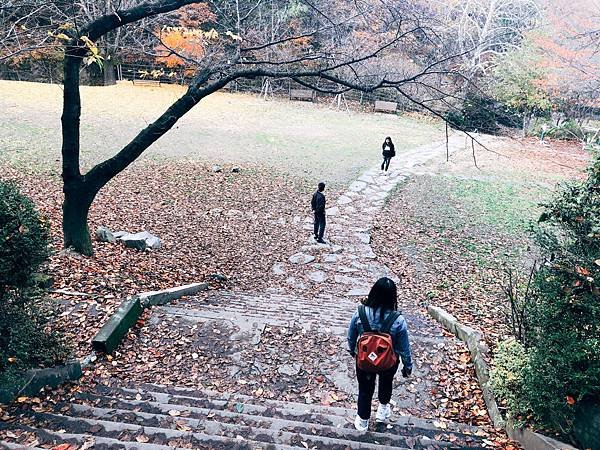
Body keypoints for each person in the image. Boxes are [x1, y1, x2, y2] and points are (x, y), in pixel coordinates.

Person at [347, 277, 413, 432]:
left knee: (365, 389)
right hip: (388, 362)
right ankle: (382, 411)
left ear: (373, 292)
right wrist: (407, 366)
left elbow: (351, 335)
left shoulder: (360, 312)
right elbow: (404, 347)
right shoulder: (398, 320)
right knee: (386, 383)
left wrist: (352, 350)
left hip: (364, 360)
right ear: (393, 297)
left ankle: (363, 420)